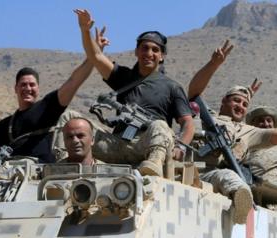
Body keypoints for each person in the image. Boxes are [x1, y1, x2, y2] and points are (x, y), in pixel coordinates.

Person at [0, 28, 110, 175]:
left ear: (38, 88)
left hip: (33, 168)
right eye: (23, 85)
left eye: (32, 85)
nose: (27, 89)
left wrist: (94, 56)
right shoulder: (6, 124)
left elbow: (74, 81)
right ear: (15, 88)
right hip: (4, 166)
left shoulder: (48, 108)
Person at [188, 40, 277, 224]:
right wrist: (214, 64)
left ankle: (242, 206)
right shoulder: (205, 115)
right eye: (236, 101)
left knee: (230, 177)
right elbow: (194, 91)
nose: (240, 106)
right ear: (223, 101)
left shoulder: (248, 131)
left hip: (216, 176)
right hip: (187, 168)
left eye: (244, 104)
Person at [74, 9, 194, 177]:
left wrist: (180, 147)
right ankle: (63, 165)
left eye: (155, 50)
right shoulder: (123, 77)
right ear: (136, 52)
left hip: (146, 148)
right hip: (116, 144)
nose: (149, 54)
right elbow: (95, 56)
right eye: (144, 48)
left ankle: (153, 167)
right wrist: (85, 30)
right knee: (71, 120)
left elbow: (188, 123)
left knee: (160, 125)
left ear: (162, 56)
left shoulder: (172, 87)